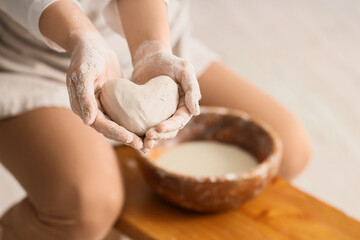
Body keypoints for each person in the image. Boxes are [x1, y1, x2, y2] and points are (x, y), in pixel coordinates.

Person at [0, 0, 312, 239]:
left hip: (152, 42)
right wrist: (82, 38)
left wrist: (152, 48)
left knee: (288, 147)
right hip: (29, 59)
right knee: (88, 205)